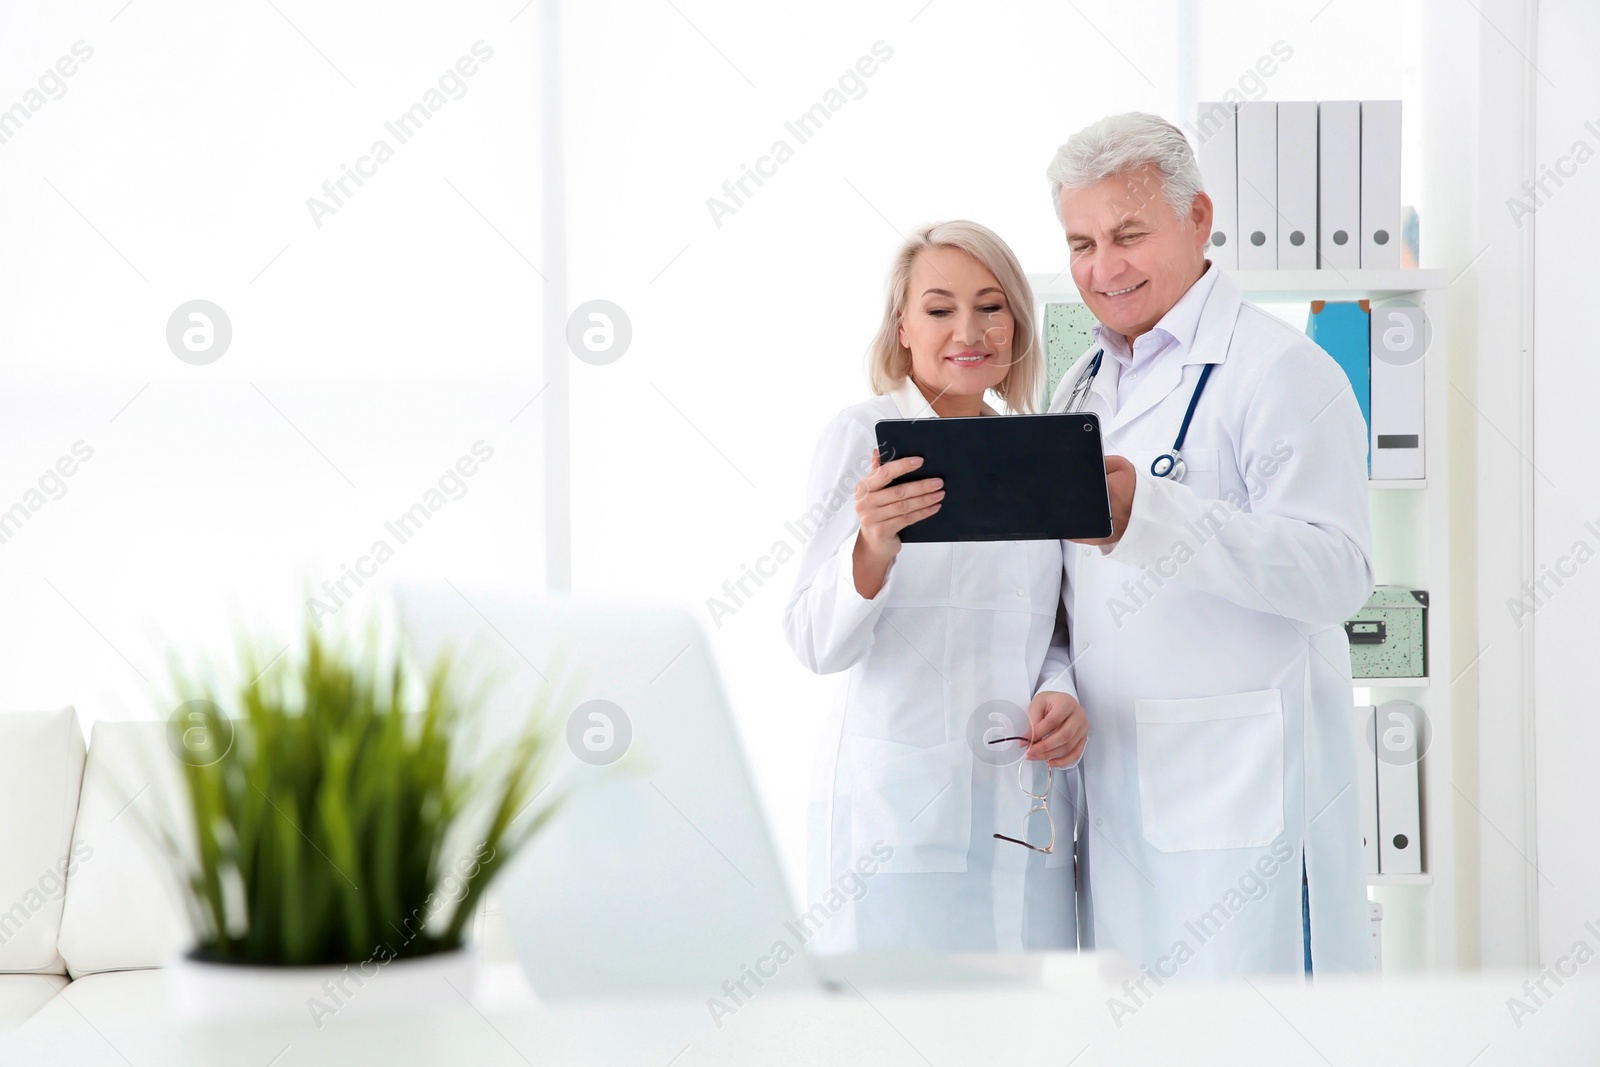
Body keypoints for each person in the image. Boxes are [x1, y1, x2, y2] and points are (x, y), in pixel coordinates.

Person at [1039, 113, 1377, 977]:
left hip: (1246, 804)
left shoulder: (1283, 371)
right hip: (1115, 791)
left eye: (1127, 234)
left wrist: (1153, 516)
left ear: (1199, 220)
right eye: (1081, 242)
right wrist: (1057, 683)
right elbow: (1066, 595)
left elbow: (1337, 575)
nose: (1103, 268)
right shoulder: (1081, 383)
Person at [782, 220, 1088, 953]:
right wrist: (874, 544)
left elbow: (1048, 627)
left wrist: (1064, 689)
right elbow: (815, 641)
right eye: (939, 308)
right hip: (900, 814)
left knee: (1027, 1035)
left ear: (1016, 322)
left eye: (991, 305)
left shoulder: (1040, 449)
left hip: (1026, 808)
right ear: (903, 326)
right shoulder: (864, 438)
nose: (968, 330)